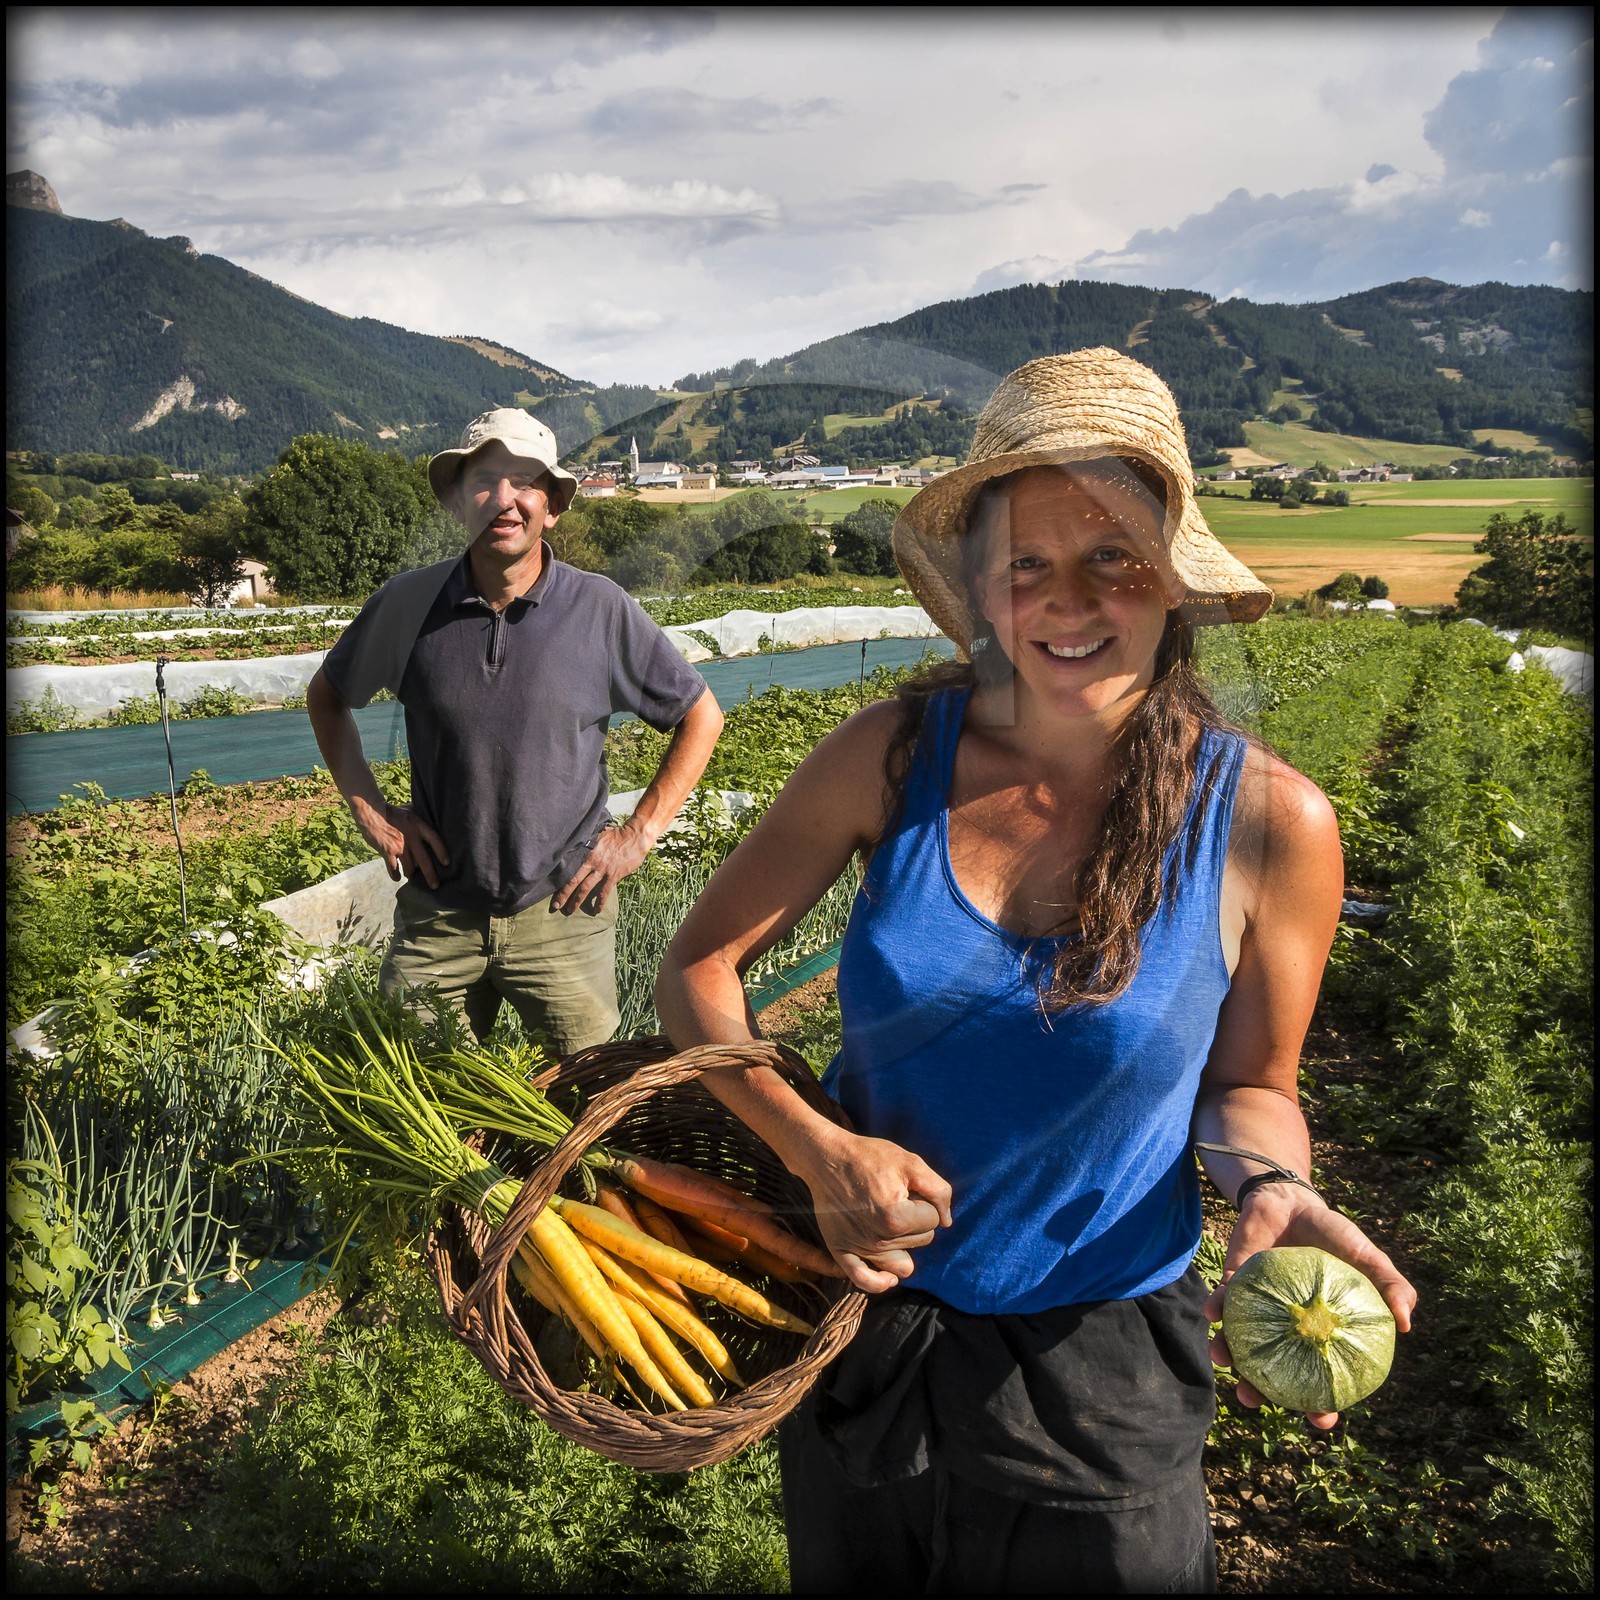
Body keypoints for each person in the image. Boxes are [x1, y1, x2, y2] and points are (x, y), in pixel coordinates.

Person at [654, 350, 1417, 1593]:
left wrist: (1271, 1183)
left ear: (1173, 578)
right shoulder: (887, 757)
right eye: (1029, 564)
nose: (1071, 599)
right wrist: (810, 1147)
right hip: (869, 1335)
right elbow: (697, 967)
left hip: (1099, 1365)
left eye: (1113, 554)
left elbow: (1252, 1087)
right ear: (985, 592)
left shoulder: (1271, 821)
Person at [307, 407, 723, 1053]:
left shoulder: (600, 608)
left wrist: (640, 833)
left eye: (525, 481)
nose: (504, 499)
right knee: (417, 1092)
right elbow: (329, 698)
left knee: (583, 1102)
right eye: (484, 480)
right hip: (439, 913)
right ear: (456, 501)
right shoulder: (407, 605)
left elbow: (700, 715)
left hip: (564, 910)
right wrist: (372, 810)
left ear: (552, 505)